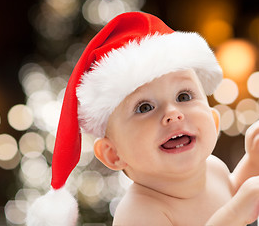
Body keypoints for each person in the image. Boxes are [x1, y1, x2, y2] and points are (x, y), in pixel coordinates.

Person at [27, 11, 259, 226]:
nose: (172, 113)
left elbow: (236, 193)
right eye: (144, 107)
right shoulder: (138, 212)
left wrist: (253, 163)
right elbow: (239, 208)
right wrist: (235, 215)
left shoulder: (214, 168)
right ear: (113, 154)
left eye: (184, 95)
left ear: (213, 121)